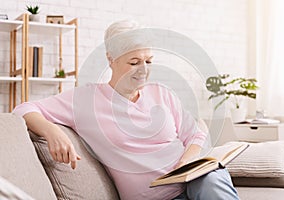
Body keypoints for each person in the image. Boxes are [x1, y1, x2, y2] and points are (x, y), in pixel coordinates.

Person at [13, 20, 239, 200]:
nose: (143, 70)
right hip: (157, 196)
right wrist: (51, 131)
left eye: (149, 61)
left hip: (194, 179)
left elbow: (196, 132)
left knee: (212, 180)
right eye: (134, 62)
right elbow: (23, 108)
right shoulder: (86, 100)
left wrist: (186, 162)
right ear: (110, 59)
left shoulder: (161, 93)